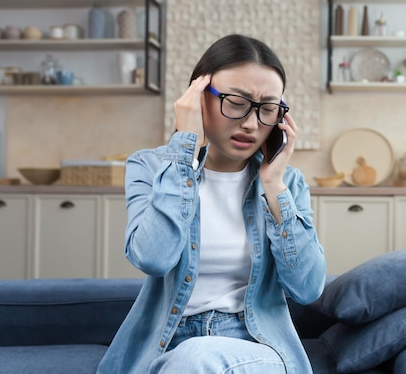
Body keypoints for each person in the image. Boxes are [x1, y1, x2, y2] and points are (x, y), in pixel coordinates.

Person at [96, 34, 327, 374]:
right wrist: (184, 152)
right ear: (197, 98)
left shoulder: (287, 183)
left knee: (199, 357)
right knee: (191, 358)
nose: (251, 123)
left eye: (267, 109)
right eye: (236, 101)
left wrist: (273, 186)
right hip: (167, 345)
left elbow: (307, 289)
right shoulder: (151, 167)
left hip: (255, 346)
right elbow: (153, 257)